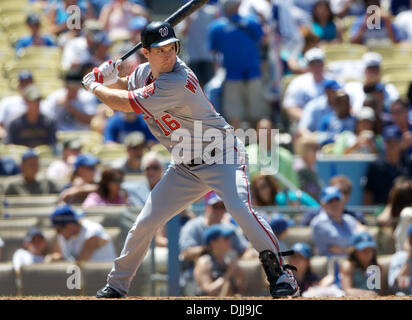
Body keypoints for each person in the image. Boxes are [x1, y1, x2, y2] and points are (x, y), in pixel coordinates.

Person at [83, 21, 300, 299]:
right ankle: (117, 286)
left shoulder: (178, 80)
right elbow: (128, 87)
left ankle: (281, 274)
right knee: (145, 223)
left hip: (222, 157)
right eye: (160, 49)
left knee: (239, 208)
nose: (168, 54)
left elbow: (125, 103)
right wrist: (113, 79)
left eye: (171, 47)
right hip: (184, 165)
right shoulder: (141, 73)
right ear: (146, 53)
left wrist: (94, 85)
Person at [208, 0, 268, 128]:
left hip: (233, 76)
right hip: (251, 74)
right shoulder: (252, 21)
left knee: (234, 116)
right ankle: (257, 146)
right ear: (238, 5)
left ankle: (236, 147)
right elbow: (264, 40)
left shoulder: (216, 27)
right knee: (256, 116)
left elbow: (213, 51)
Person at [362, 125, 412, 205]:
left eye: (395, 142)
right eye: (389, 142)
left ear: (401, 142)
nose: (392, 145)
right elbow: (368, 193)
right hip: (381, 210)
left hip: (406, 209)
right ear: (384, 143)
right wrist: (368, 214)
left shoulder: (410, 164)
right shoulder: (375, 166)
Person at [46, 205, 116, 263]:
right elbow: (62, 256)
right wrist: (54, 258)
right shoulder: (65, 235)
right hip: (88, 276)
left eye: (58, 230)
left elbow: (79, 264)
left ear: (70, 225)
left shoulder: (92, 232)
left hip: (105, 276)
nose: (58, 233)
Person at [283, 48, 333, 124]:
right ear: (308, 65)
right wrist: (308, 119)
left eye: (319, 63)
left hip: (330, 123)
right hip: (304, 123)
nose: (316, 67)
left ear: (324, 63)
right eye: (313, 64)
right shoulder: (298, 82)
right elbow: (291, 107)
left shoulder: (334, 81)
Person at [193, 224, 246, 296]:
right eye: (226, 238)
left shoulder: (227, 260)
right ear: (213, 243)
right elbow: (208, 291)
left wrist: (237, 273)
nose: (230, 241)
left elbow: (240, 289)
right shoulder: (204, 262)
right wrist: (229, 273)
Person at [311, 186, 364, 257]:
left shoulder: (349, 219)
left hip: (351, 263)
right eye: (330, 201)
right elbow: (341, 240)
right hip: (330, 264)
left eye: (337, 200)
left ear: (342, 202)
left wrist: (344, 249)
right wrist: (353, 248)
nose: (334, 204)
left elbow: (363, 241)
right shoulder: (319, 223)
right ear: (323, 205)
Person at [247, 118, 299, 189]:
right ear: (256, 132)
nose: (266, 133)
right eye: (262, 130)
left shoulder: (286, 156)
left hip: (280, 198)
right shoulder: (246, 153)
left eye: (269, 130)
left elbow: (293, 186)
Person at [300, 175, 367, 226]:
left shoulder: (353, 218)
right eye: (332, 198)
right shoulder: (312, 216)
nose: (335, 203)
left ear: (348, 197)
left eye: (344, 192)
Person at [178, 1, 218, 87]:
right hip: (193, 57)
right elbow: (182, 33)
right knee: (195, 88)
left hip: (208, 57)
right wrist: (188, 20)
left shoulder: (212, 12)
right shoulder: (187, 12)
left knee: (209, 87)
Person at [340, 232, 381, 297]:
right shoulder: (348, 266)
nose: (368, 253)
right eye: (364, 250)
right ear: (355, 252)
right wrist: (366, 294)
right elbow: (347, 290)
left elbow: (382, 292)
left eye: (370, 250)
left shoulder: (378, 267)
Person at [0, 70, 35, 139]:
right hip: (12, 144)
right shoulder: (7, 102)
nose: (26, 86)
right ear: (19, 85)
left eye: (28, 83)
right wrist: (8, 138)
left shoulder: (38, 103)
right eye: (23, 83)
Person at [293, 135, 323, 202]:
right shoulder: (300, 168)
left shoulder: (312, 167)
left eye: (317, 148)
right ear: (304, 150)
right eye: (313, 148)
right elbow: (304, 191)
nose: (316, 152)